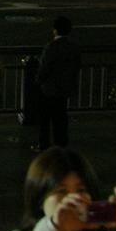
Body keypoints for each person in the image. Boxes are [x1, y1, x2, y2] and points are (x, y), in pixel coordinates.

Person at [34, 16, 81, 151]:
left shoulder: (51, 47)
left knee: (44, 119)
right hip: (65, 89)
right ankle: (61, 144)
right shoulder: (73, 47)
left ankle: (43, 144)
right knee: (60, 117)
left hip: (49, 89)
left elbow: (45, 68)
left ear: (55, 30)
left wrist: (38, 81)